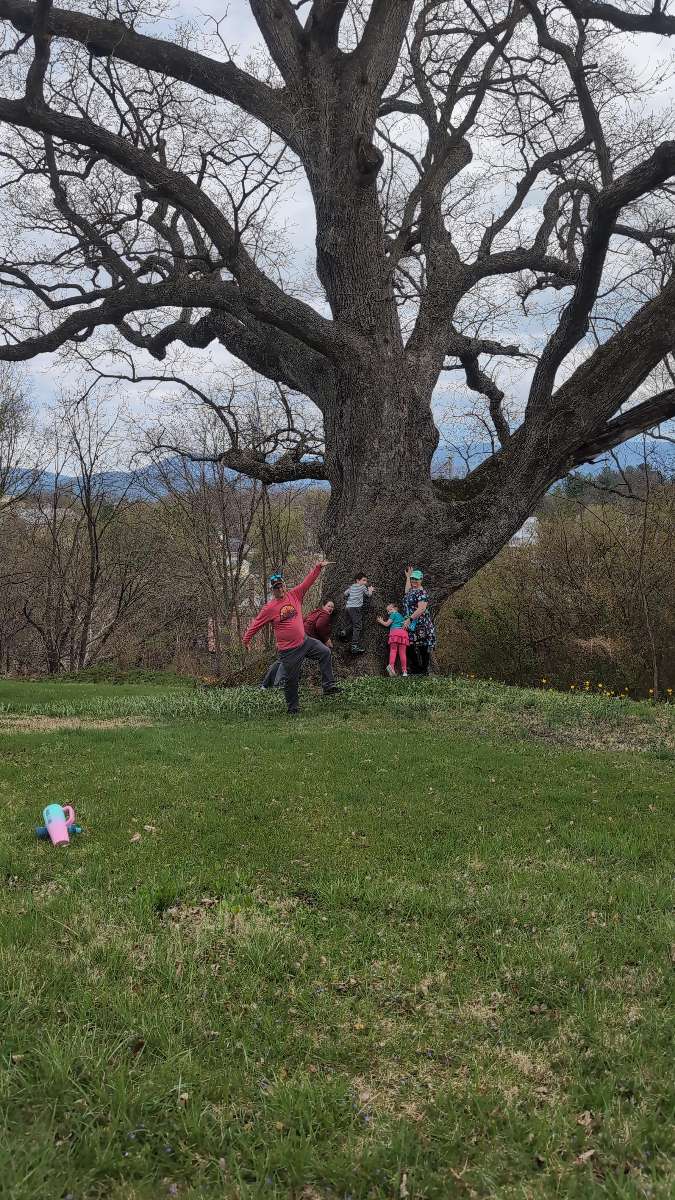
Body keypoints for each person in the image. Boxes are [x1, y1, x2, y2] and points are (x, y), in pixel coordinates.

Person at [244, 563, 340, 715]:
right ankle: (293, 709)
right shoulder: (270, 608)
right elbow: (256, 624)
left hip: (305, 641)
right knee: (291, 680)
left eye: (281, 586)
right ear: (272, 590)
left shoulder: (294, 594)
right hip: (289, 651)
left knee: (325, 652)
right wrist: (246, 640)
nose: (280, 589)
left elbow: (307, 582)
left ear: (285, 586)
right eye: (276, 588)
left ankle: (328, 685)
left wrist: (317, 567)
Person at [261, 599, 335, 690]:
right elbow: (319, 626)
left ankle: (265, 685)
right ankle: (279, 684)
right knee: (325, 652)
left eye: (332, 607)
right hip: (303, 639)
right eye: (329, 606)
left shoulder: (314, 613)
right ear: (323, 606)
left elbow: (301, 622)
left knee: (282, 660)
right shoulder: (324, 614)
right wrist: (326, 639)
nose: (331, 608)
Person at [402, 567, 436, 675]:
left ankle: (424, 670)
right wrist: (408, 577)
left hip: (420, 623)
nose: (414, 581)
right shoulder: (411, 590)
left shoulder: (422, 593)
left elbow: (421, 609)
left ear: (421, 580)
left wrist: (409, 619)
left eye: (416, 579)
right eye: (413, 579)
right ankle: (417, 668)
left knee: (423, 646)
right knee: (409, 645)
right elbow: (406, 591)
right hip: (411, 623)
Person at [340, 573, 374, 654]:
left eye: (366, 580)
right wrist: (371, 589)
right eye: (364, 580)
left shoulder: (351, 587)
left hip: (348, 608)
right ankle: (354, 646)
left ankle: (344, 632)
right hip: (355, 608)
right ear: (358, 580)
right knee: (358, 626)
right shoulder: (362, 587)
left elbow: (345, 593)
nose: (365, 582)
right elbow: (368, 595)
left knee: (351, 623)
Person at [377, 603, 409, 677]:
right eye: (388, 611)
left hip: (395, 633)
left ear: (395, 609)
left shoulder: (393, 614)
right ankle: (404, 671)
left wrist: (380, 621)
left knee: (393, 650)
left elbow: (387, 624)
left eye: (390, 610)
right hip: (403, 634)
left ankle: (391, 666)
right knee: (402, 653)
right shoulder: (401, 616)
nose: (389, 612)